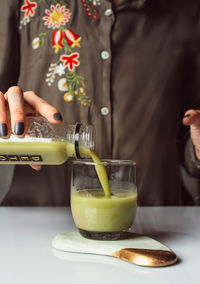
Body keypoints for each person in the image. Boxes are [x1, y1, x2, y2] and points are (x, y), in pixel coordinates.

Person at [0, 0, 200, 206]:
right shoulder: (20, 4)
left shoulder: (189, 13)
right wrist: (6, 111)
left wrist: (197, 149)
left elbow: (190, 129)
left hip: (160, 223)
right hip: (32, 226)